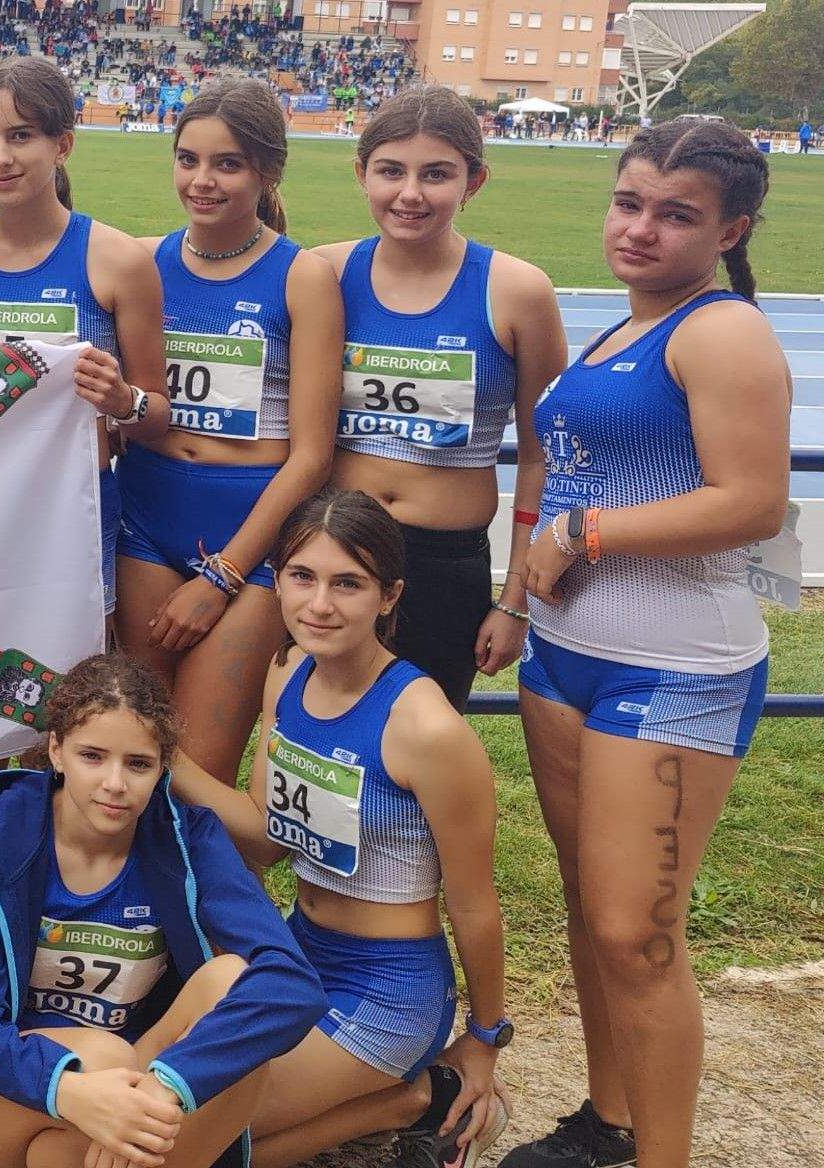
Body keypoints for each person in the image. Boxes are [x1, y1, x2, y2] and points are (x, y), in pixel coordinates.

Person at [500, 118, 789, 1168]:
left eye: (676, 214)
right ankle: (607, 1120)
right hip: (565, 655)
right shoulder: (624, 325)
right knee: (590, 910)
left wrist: (585, 531)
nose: (641, 228)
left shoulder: (718, 331)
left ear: (729, 229)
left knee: (635, 934)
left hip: (672, 667)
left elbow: (752, 501)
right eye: (629, 203)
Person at [169, 490, 512, 1168]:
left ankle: (416, 1097)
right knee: (169, 1111)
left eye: (347, 583)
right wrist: (163, 760)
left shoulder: (429, 730)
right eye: (302, 577)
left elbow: (475, 904)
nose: (318, 605)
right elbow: (268, 835)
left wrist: (483, 1038)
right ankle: (401, 1104)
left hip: (389, 992)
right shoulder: (287, 673)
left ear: (389, 596)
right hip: (297, 955)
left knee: (187, 1139)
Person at [0, 653, 325, 1168]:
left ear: (163, 768)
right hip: (25, 1091)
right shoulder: (2, 837)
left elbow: (292, 982)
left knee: (233, 983)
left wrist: (167, 1087)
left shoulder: (188, 839)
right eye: (92, 756)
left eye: (138, 763)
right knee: (101, 1056)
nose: (115, 783)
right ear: (56, 750)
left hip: (140, 1080)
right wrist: (72, 1093)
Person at [0, 55, 173, 887]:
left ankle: (57, 907)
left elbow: (161, 410)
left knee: (54, 729)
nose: (3, 157)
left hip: (68, 536)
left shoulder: (115, 259)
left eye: (23, 137)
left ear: (63, 142)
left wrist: (122, 399)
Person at [310, 86, 567, 708]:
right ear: (361, 173)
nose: (410, 194)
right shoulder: (324, 273)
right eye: (391, 171)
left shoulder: (517, 291)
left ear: (474, 181)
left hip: (444, 562)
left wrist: (515, 600)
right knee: (316, 729)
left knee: (419, 748)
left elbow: (543, 457)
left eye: (437, 175)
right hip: (330, 549)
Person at [119, 77, 342, 791]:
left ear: (268, 171)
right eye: (188, 160)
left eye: (227, 164)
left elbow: (313, 455)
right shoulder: (140, 261)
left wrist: (224, 574)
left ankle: (195, 900)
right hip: (147, 518)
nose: (202, 180)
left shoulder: (300, 275)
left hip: (253, 534)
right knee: (135, 742)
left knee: (198, 773)